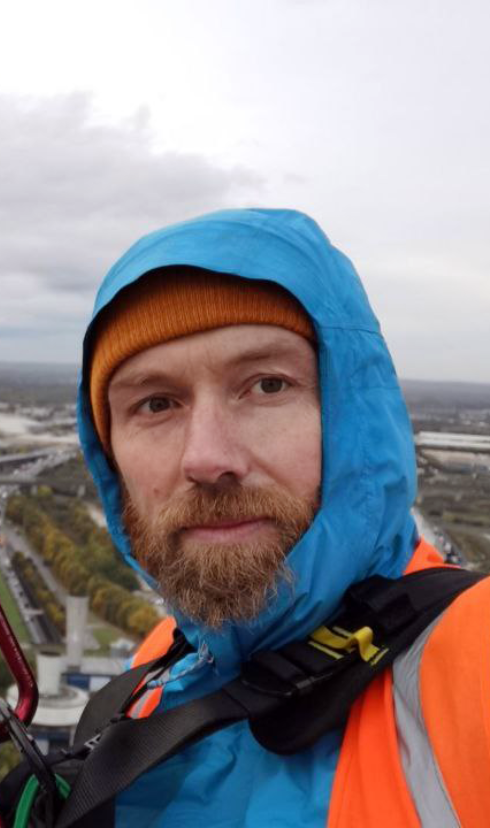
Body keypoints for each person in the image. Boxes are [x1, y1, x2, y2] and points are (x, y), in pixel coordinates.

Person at [73, 208, 488, 826]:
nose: (208, 458)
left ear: (354, 414)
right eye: (156, 403)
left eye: (267, 385)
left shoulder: (470, 661)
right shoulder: (161, 666)